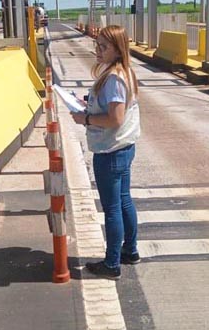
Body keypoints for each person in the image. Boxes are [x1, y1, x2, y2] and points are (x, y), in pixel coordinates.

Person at [71, 25, 141, 280]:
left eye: (103, 47)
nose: (97, 51)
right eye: (96, 45)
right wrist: (88, 103)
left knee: (112, 208)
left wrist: (86, 118)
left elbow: (115, 118)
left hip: (110, 151)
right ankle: (129, 251)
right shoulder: (126, 72)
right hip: (124, 148)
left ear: (117, 48)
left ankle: (112, 264)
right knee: (124, 200)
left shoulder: (113, 78)